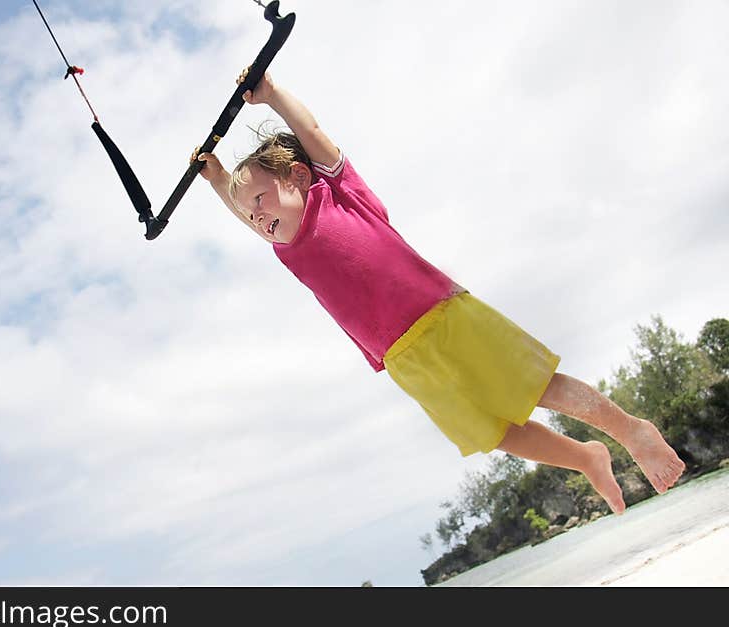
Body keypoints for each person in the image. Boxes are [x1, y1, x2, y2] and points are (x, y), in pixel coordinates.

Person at [191, 68, 685, 515]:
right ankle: (585, 458)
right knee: (494, 433)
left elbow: (314, 136)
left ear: (298, 177)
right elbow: (247, 215)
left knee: (533, 386)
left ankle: (629, 430)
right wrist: (217, 180)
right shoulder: (286, 249)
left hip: (441, 315)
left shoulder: (339, 196)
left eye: (261, 198)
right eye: (251, 212)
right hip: (402, 357)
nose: (257, 215)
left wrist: (273, 94)